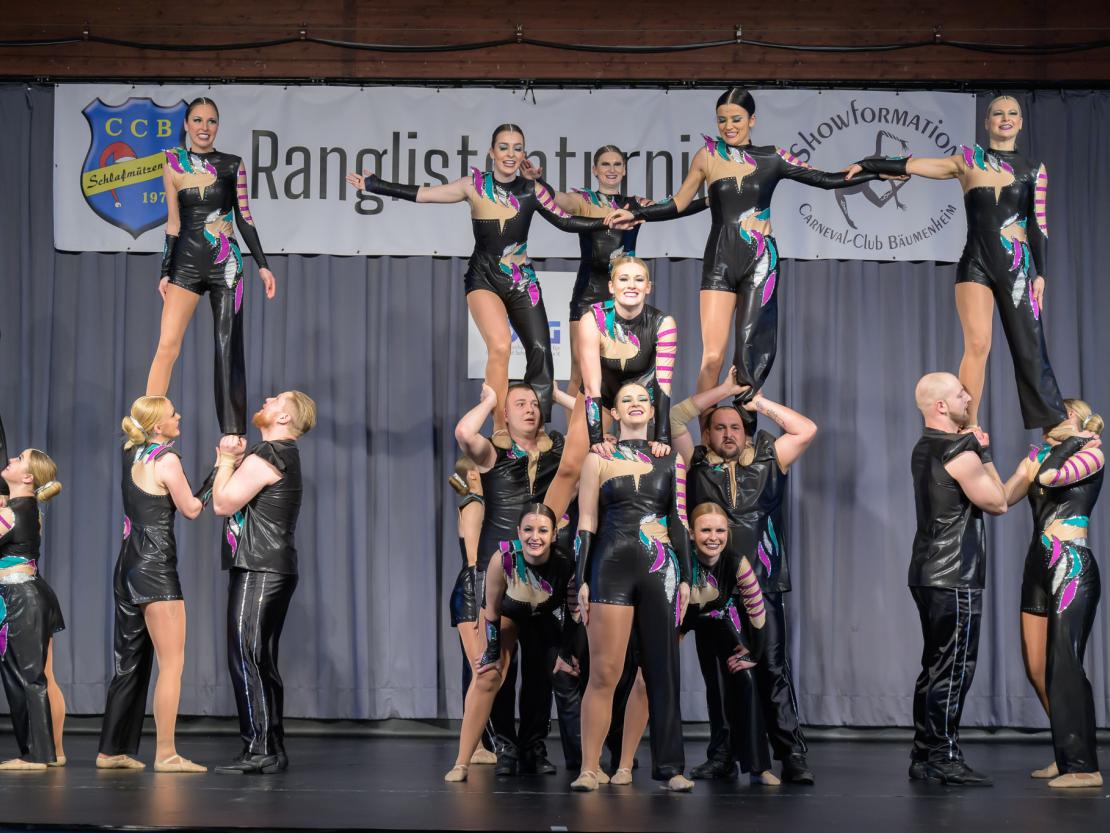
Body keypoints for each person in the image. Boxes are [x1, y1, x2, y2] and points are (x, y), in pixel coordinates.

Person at [347, 124, 630, 435]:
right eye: (504, 147)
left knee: (540, 350)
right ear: (492, 152)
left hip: (523, 281)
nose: (511, 154)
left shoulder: (531, 190)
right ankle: (499, 426)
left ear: (524, 153)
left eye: (517, 148)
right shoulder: (474, 186)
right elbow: (425, 195)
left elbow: (565, 221)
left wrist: (605, 220)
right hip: (484, 277)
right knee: (500, 346)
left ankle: (534, 429)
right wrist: (375, 185)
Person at [633, 87, 882, 422]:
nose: (728, 126)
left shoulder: (773, 157)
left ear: (752, 120)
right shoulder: (707, 156)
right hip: (720, 259)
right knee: (712, 358)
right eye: (722, 120)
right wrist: (639, 213)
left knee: (749, 355)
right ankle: (706, 442)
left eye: (736, 119)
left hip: (760, 261)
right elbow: (679, 203)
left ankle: (742, 434)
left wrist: (879, 168)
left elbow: (827, 179)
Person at [849, 96, 1063, 430]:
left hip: (1015, 263)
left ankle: (1054, 421)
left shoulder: (1035, 170)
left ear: (1020, 123)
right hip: (976, 261)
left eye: (1012, 114)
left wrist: (1042, 274)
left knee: (1030, 341)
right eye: (997, 113)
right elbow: (917, 164)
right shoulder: (969, 160)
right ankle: (968, 425)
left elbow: (1039, 223)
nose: (1005, 119)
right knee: (977, 344)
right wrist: (871, 164)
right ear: (987, 122)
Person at [676, 381, 817, 783]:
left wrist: (759, 403)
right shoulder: (697, 463)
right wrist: (721, 390)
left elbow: (805, 430)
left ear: (746, 430)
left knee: (772, 669)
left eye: (735, 426)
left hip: (765, 584)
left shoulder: (771, 460)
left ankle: (791, 755)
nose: (727, 434)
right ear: (707, 434)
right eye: (719, 427)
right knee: (719, 676)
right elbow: (673, 418)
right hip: (713, 590)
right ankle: (723, 756)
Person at [572, 382, 693, 793]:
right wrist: (581, 578)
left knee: (663, 671)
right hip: (611, 565)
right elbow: (585, 521)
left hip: (662, 568)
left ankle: (671, 768)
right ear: (616, 413)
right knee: (605, 671)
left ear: (652, 411)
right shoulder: (598, 457)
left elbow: (679, 520)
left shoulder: (670, 459)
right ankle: (590, 767)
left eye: (643, 399)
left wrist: (689, 577)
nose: (637, 404)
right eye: (627, 400)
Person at [520, 145, 707, 397]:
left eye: (617, 164)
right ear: (594, 170)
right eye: (605, 164)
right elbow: (556, 198)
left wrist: (708, 200)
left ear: (625, 170)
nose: (612, 170)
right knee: (580, 371)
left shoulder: (636, 205)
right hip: (588, 291)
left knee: (623, 369)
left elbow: (675, 208)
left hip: (624, 295)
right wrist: (538, 180)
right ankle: (578, 437)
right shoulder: (583, 201)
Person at [147, 96, 277, 436]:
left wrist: (263, 265)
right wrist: (165, 270)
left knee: (226, 347)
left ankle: (232, 436)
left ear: (218, 126)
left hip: (227, 266)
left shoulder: (232, 165)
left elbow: (245, 219)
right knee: (167, 345)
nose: (205, 128)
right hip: (186, 264)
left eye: (211, 121)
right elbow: (173, 223)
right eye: (198, 121)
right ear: (187, 125)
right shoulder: (172, 163)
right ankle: (147, 428)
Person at [454, 382, 564, 775]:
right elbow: (465, 433)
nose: (530, 409)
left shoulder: (558, 451)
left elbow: (593, 433)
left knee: (541, 667)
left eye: (535, 404)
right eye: (520, 404)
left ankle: (534, 746)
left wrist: (563, 397)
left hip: (544, 573)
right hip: (498, 570)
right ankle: (505, 747)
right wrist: (488, 401)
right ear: (506, 414)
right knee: (498, 665)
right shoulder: (493, 454)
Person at [96, 396, 207, 773]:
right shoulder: (167, 459)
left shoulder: (133, 451)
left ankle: (111, 751)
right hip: (155, 569)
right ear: (159, 426)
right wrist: (219, 472)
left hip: (127, 565)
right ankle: (166, 753)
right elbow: (191, 509)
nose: (179, 416)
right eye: (173, 413)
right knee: (172, 664)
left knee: (128, 664)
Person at [908, 372, 1008, 786]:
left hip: (929, 573)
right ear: (941, 407)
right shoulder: (957, 450)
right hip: (954, 576)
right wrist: (984, 452)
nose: (969, 395)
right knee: (952, 669)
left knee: (935, 666)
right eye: (960, 392)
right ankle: (944, 757)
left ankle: (923, 755)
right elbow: (998, 501)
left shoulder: (925, 447)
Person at [211, 391, 316, 774]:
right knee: (259, 659)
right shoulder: (276, 454)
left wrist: (225, 460)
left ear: (285, 417)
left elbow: (223, 504)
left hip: (261, 567)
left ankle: (260, 749)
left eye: (276, 400)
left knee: (247, 656)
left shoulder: (270, 454)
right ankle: (271, 746)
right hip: (272, 567)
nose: (267, 399)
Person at [1003, 398, 1104, 788]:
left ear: (1078, 419)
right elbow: (1006, 497)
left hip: (1071, 566)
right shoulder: (1038, 455)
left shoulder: (1092, 453)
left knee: (1065, 663)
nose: (1046, 418)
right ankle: (1068, 753)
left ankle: (1084, 767)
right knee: (1037, 667)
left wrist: (1070, 443)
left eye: (1058, 412)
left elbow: (1049, 478)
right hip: (1038, 566)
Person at [444, 504, 575, 782]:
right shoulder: (503, 557)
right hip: (507, 614)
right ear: (518, 532)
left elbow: (573, 611)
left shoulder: (565, 562)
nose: (534, 537)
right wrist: (491, 652)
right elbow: (491, 610)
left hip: (543, 617)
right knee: (489, 677)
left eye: (542, 530)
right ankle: (486, 754)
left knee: (543, 678)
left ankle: (533, 749)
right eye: (528, 530)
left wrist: (567, 650)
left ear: (553, 535)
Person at [544, 256, 677, 521]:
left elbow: (663, 384)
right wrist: (596, 440)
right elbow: (592, 385)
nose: (632, 285)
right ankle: (543, 530)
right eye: (624, 279)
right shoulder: (592, 319)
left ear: (648, 286)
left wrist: (662, 436)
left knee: (655, 467)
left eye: (639, 279)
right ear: (611, 286)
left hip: (641, 399)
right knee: (570, 468)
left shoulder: (663, 324)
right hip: (602, 396)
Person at [0, 448, 65, 770]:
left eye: (19, 459)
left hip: (21, 599)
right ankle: (34, 751)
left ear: (27, 477)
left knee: (28, 677)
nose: (10, 460)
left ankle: (38, 755)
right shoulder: (20, 507)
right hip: (19, 597)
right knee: (19, 676)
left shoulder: (16, 511)